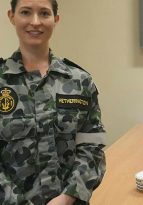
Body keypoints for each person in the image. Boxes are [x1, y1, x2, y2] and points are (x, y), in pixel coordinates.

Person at [0, 0, 106, 204]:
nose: (35, 21)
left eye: (44, 13)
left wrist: (67, 197)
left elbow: (93, 147)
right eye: (25, 12)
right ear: (11, 16)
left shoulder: (80, 81)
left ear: (56, 19)